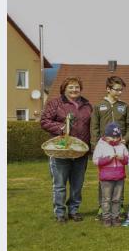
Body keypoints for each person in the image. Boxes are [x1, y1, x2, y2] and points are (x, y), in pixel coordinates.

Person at [40, 77, 93, 222]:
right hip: (61, 151)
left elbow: (91, 126)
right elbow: (44, 121)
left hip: (80, 151)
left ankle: (74, 211)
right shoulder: (56, 103)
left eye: (76, 87)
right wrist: (61, 127)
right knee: (60, 185)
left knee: (77, 185)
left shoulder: (87, 105)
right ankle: (60, 213)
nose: (74, 90)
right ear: (64, 89)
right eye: (71, 87)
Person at [90, 76, 129, 220]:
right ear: (108, 89)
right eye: (117, 90)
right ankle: (102, 208)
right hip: (104, 150)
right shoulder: (98, 106)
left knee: (119, 178)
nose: (120, 93)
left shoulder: (125, 107)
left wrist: (125, 140)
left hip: (120, 149)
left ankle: (119, 207)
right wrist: (97, 146)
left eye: (121, 90)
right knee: (104, 179)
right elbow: (94, 128)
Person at [92, 122, 128, 227]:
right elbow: (96, 161)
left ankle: (115, 217)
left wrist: (122, 158)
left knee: (117, 199)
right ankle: (106, 218)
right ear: (106, 136)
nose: (115, 139)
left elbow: (128, 159)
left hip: (119, 177)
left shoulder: (122, 146)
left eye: (117, 137)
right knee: (106, 199)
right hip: (106, 178)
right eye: (112, 137)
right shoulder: (101, 145)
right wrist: (108, 159)